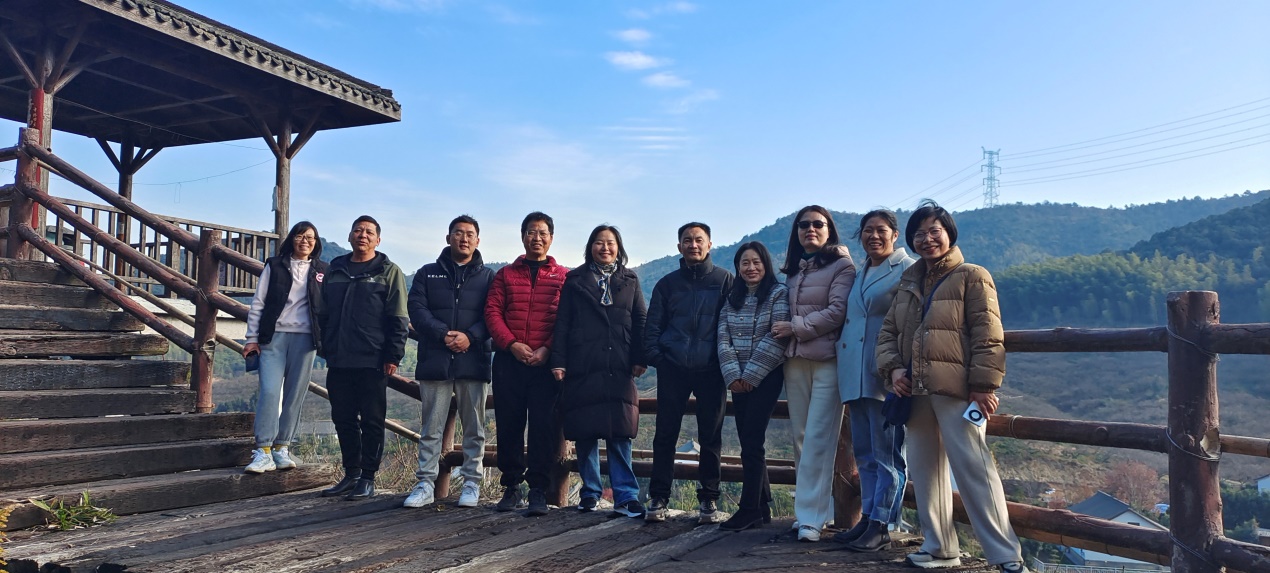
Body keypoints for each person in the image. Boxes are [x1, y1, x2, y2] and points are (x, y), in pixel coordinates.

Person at [875, 200, 1028, 573]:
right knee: (925, 471)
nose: (927, 239)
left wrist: (984, 385)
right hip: (915, 390)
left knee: (974, 469)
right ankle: (940, 547)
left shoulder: (972, 275)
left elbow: (988, 334)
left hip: (957, 391)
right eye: (919, 234)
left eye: (934, 231)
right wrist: (893, 370)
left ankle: (1006, 556)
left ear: (949, 234)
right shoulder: (908, 282)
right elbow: (888, 333)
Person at [771, 205, 856, 542]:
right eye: (803, 225)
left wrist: (796, 327)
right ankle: (813, 511)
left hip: (827, 360)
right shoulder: (795, 270)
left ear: (829, 229)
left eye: (818, 224)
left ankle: (811, 518)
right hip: (795, 360)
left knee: (820, 436)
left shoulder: (842, 266)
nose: (810, 229)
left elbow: (837, 311)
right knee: (801, 437)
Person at [551, 225, 648, 519]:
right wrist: (559, 361)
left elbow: (640, 320)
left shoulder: (630, 280)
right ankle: (590, 492)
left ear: (619, 247)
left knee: (621, 431)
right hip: (583, 362)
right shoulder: (575, 280)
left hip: (619, 363)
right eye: (599, 242)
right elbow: (563, 322)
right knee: (586, 431)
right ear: (590, 247)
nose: (605, 248)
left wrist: (640, 356)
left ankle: (626, 496)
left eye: (610, 243)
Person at [833, 209, 914, 551]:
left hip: (885, 374)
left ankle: (882, 525)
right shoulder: (861, 270)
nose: (874, 236)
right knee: (865, 453)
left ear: (895, 234)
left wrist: (901, 367)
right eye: (868, 230)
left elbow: (911, 322)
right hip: (855, 372)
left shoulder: (907, 268)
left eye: (881, 230)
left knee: (887, 456)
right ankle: (867, 518)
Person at [644, 222, 733, 525]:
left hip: (712, 370)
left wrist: (722, 361)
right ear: (679, 246)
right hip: (673, 369)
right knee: (665, 434)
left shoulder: (724, 280)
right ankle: (659, 497)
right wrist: (661, 360)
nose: (693, 245)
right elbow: (652, 328)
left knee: (711, 436)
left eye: (698, 240)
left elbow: (733, 323)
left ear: (709, 244)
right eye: (687, 240)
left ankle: (709, 498)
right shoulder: (667, 284)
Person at [404, 215, 495, 509]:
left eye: (469, 234)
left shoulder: (489, 277)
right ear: (448, 238)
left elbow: (494, 314)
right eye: (458, 233)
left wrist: (470, 337)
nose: (464, 238)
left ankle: (471, 483)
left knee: (474, 428)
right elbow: (416, 309)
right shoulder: (427, 273)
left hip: (474, 360)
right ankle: (425, 484)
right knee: (431, 427)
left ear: (477, 240)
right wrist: (443, 334)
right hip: (436, 359)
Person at [317, 215, 409, 501]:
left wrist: (393, 355)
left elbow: (399, 317)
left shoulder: (388, 271)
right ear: (349, 236)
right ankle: (351, 474)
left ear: (378, 240)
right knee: (342, 418)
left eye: (369, 232)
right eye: (358, 230)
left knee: (372, 420)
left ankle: (368, 477)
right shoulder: (336, 269)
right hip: (339, 357)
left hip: (373, 358)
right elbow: (322, 312)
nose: (363, 235)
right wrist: (326, 346)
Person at [485, 212, 568, 516]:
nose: (537, 238)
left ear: (551, 238)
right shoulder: (505, 275)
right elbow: (492, 312)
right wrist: (511, 344)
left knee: (543, 427)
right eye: (531, 232)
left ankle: (538, 490)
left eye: (543, 233)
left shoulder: (563, 276)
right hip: (509, 361)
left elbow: (566, 319)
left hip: (546, 365)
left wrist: (547, 348)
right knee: (509, 424)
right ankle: (510, 486)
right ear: (522, 237)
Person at [242, 221, 328, 474]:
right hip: (273, 337)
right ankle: (263, 450)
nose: (305, 241)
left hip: (306, 340)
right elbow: (258, 303)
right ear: (292, 239)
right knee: (270, 391)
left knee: (294, 395)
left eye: (310, 237)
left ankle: (282, 447)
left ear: (316, 243)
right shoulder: (275, 265)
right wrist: (251, 338)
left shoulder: (323, 270)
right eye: (300, 236)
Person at [715, 242, 790, 531]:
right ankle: (761, 506)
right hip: (737, 380)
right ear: (737, 267)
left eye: (756, 262)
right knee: (748, 440)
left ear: (765, 264)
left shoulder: (778, 293)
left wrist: (750, 376)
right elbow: (723, 337)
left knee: (751, 439)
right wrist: (733, 376)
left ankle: (748, 509)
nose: (751, 268)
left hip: (766, 376)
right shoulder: (732, 297)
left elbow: (777, 336)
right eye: (745, 263)